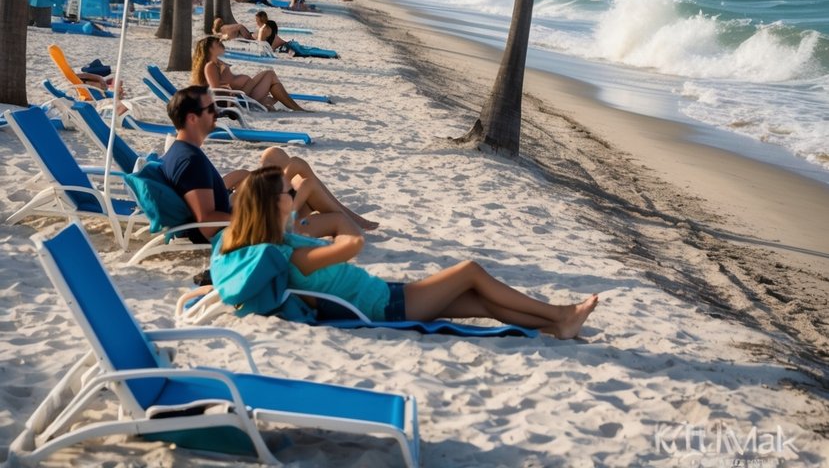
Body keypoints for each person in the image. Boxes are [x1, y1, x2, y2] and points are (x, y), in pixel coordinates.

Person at [215, 168, 598, 336]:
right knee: (470, 270)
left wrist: (304, 222)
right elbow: (354, 244)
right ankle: (561, 314)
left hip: (383, 295)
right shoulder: (293, 254)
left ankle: (555, 326)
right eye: (289, 194)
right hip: (386, 306)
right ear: (273, 205)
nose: (296, 197)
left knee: (480, 303)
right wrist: (328, 229)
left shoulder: (283, 244)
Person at [161, 86, 378, 237]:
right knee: (307, 184)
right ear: (192, 118)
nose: (217, 113)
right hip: (250, 226)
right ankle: (351, 221)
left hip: (236, 205)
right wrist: (259, 215)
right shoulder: (190, 162)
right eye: (210, 110)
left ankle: (351, 219)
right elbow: (208, 224)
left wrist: (242, 182)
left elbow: (205, 196)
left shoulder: (181, 151)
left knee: (275, 156)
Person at [191, 34, 303, 112]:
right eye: (217, 43)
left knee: (274, 88)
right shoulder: (210, 66)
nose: (221, 43)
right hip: (240, 97)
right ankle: (298, 109)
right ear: (209, 49)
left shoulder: (218, 62)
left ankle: (297, 109)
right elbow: (216, 90)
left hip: (245, 94)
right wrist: (230, 90)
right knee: (269, 74)